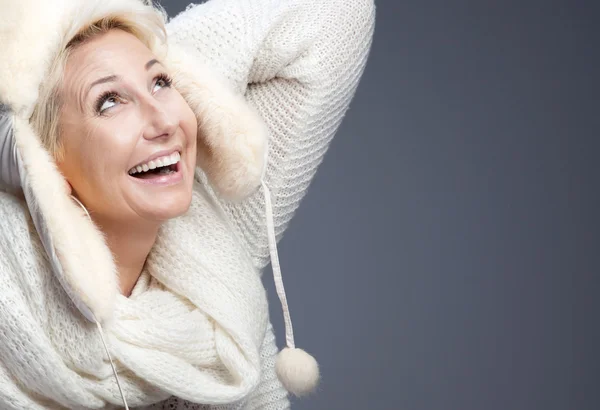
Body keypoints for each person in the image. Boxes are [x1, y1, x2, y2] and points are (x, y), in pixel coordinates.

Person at [0, 0, 375, 408]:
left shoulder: (210, 242)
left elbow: (339, 11)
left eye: (162, 83)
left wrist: (111, 29)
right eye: (109, 101)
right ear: (42, 164)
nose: (165, 122)